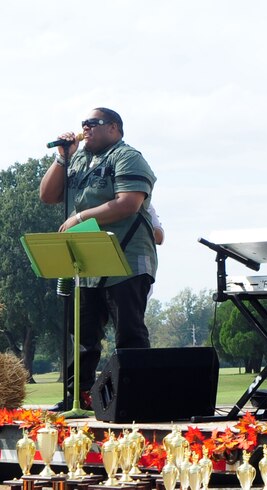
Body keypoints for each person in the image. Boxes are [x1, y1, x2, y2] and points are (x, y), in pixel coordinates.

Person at [39, 107, 157, 411]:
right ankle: (75, 397)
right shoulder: (77, 159)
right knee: (81, 335)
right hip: (87, 260)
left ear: (114, 128)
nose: (85, 128)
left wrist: (80, 216)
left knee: (128, 332)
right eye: (83, 124)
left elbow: (128, 203)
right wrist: (62, 158)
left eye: (93, 123)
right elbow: (48, 196)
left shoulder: (127, 156)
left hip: (126, 258)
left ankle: (136, 397)